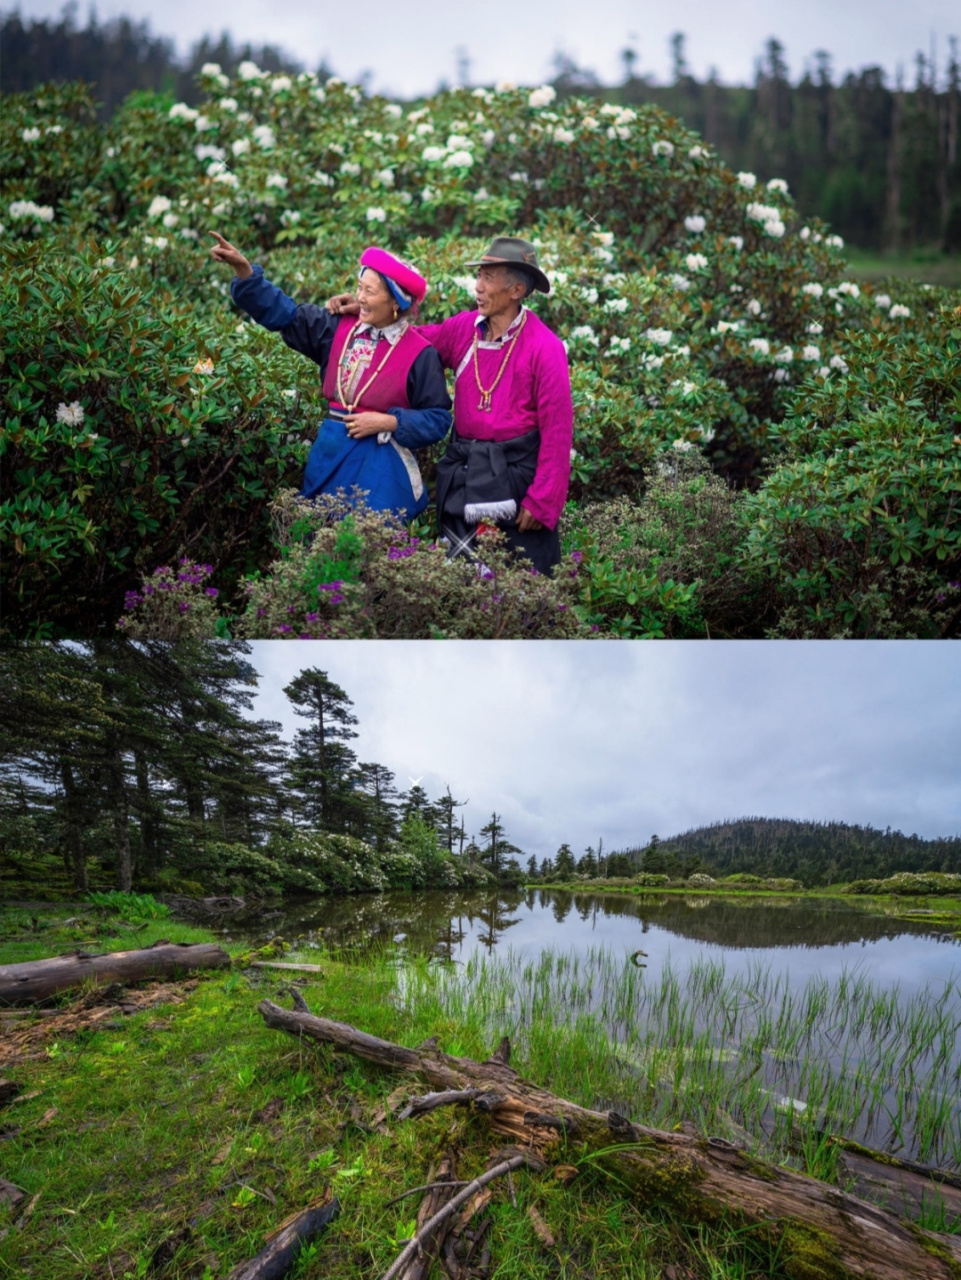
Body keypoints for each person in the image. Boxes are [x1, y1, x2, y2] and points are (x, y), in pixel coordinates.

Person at [330, 236, 573, 574]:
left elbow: (558, 431)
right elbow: (412, 347)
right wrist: (374, 310)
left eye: (488, 278)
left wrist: (543, 499)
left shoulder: (545, 347)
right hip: (466, 473)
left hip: (516, 481)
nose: (478, 287)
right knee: (463, 584)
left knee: (521, 584)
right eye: (479, 277)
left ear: (516, 290)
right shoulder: (463, 329)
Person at [210, 233, 452, 520]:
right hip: (330, 454)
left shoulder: (420, 354)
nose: (360, 297)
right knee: (317, 539)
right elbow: (286, 315)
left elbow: (438, 419)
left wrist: (389, 421)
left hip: (379, 469)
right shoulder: (337, 327)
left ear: (396, 302)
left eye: (370, 292)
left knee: (365, 549)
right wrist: (245, 271)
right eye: (359, 287)